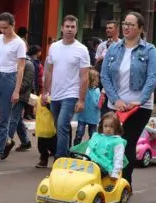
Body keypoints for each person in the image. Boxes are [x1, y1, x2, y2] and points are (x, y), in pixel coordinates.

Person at [99, 11, 156, 186]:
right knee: (107, 142)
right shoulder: (113, 48)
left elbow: (152, 77)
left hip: (139, 107)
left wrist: (140, 100)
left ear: (140, 29)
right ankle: (106, 180)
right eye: (125, 23)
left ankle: (124, 184)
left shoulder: (149, 50)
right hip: (114, 105)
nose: (126, 27)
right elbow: (104, 76)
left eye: (131, 24)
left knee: (126, 143)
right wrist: (116, 100)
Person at [42, 16, 91, 159]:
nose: (69, 29)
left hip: (71, 94)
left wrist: (81, 100)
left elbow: (85, 77)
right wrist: (45, 92)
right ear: (62, 28)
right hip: (55, 94)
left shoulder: (82, 50)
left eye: (72, 27)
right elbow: (48, 71)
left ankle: (60, 158)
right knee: (60, 127)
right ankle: (67, 153)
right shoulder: (54, 47)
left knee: (62, 125)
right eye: (67, 26)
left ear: (76, 30)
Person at [0, 12, 27, 165]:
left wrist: (16, 90)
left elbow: (21, 68)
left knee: (4, 118)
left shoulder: (19, 43)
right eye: (1, 27)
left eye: (6, 28)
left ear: (13, 25)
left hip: (9, 78)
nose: (3, 31)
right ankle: (7, 141)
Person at [6, 50, 34, 153]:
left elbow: (26, 83)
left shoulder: (28, 64)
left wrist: (15, 91)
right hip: (12, 94)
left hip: (21, 96)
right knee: (17, 120)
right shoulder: (14, 62)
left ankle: (6, 143)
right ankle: (25, 142)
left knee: (13, 119)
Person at [85, 112, 126, 180]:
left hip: (104, 167)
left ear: (116, 127)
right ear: (102, 126)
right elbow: (89, 149)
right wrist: (85, 160)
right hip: (90, 162)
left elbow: (118, 158)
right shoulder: (97, 136)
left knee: (90, 173)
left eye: (111, 126)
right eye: (106, 126)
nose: (108, 129)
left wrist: (115, 173)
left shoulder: (117, 141)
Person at [74, 69, 101, 143]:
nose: (98, 80)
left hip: (92, 117)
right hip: (84, 115)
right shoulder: (83, 90)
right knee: (79, 133)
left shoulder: (97, 91)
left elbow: (98, 104)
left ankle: (91, 150)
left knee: (92, 135)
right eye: (97, 78)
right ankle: (75, 149)